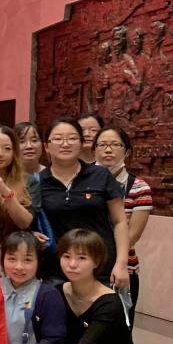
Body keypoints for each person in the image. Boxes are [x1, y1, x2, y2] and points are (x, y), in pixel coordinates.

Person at [95, 124, 154, 344]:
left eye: (114, 145)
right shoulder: (85, 180)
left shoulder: (138, 187)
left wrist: (102, 258)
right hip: (84, 274)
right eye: (101, 144)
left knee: (121, 342)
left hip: (120, 274)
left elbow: (130, 235)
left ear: (126, 151)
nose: (107, 150)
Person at [37, 117, 129, 287]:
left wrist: (122, 264)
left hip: (100, 267)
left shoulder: (100, 175)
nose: (65, 144)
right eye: (58, 139)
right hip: (57, 271)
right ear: (46, 146)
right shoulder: (38, 182)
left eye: (72, 138)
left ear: (81, 143)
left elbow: (120, 221)